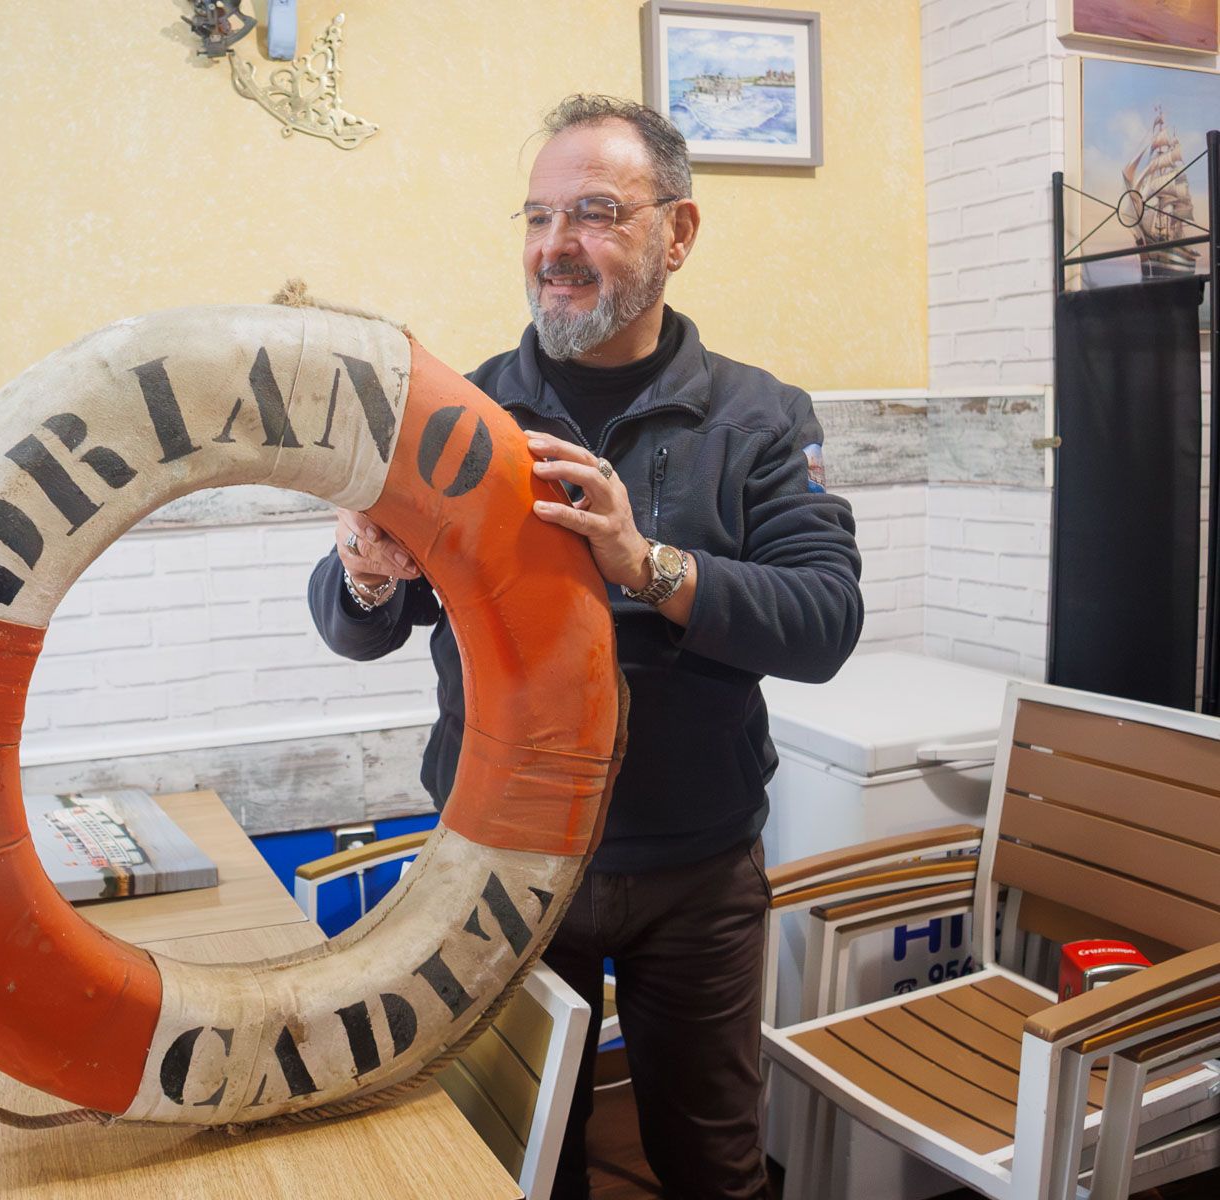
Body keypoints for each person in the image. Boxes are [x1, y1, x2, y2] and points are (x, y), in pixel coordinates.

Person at [305, 95, 863, 1199]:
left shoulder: (757, 419)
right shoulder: (460, 412)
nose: (555, 247)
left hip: (695, 874)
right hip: (497, 863)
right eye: (538, 216)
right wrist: (368, 564)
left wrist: (642, 560)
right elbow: (354, 626)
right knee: (517, 1160)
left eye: (596, 213)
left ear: (679, 234)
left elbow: (823, 623)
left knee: (712, 1161)